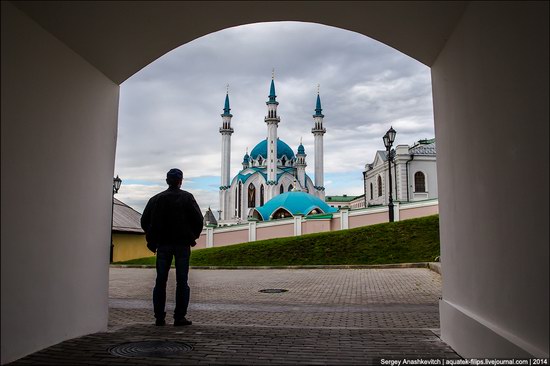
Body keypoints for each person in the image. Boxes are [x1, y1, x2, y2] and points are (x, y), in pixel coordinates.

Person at [141, 168, 204, 326]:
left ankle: (159, 317)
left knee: (160, 281)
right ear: (180, 181)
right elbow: (198, 220)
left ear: (167, 181)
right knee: (182, 281)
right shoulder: (187, 198)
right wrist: (191, 237)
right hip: (182, 245)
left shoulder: (156, 199)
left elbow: (144, 221)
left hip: (162, 245)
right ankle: (179, 317)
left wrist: (153, 238)